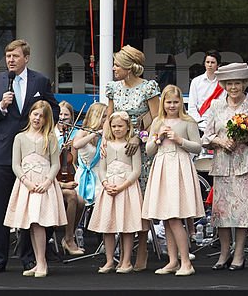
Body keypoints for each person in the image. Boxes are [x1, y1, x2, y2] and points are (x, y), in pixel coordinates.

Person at [0, 38, 58, 275]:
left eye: (15, 56)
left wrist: (42, 119)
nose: (11, 60)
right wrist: (0, 107)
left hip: (33, 156)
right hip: (4, 153)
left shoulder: (40, 81)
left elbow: (53, 108)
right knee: (1, 207)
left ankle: (29, 258)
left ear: (26, 58)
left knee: (31, 208)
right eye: (8, 56)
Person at [202, 61, 248, 270]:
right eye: (229, 83)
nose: (233, 87)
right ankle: (223, 253)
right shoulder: (216, 105)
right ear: (223, 84)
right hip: (222, 164)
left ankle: (239, 253)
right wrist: (220, 141)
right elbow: (206, 137)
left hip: (245, 164)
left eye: (238, 83)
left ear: (245, 83)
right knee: (221, 213)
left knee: (242, 212)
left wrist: (246, 137)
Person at [105, 45, 161, 270]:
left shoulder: (148, 88)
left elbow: (156, 117)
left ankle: (143, 246)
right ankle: (116, 252)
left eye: (117, 65)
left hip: (140, 151)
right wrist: (104, 143)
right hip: (118, 152)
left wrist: (139, 137)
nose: (113, 68)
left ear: (129, 68)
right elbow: (108, 118)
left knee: (140, 197)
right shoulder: (113, 88)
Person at [143, 84, 203, 276]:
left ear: (181, 102)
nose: (172, 105)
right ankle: (172, 260)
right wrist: (158, 138)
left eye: (175, 102)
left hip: (179, 167)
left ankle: (186, 261)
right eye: (168, 102)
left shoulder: (188, 122)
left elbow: (197, 147)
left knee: (176, 217)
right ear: (163, 103)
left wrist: (179, 140)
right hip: (161, 167)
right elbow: (149, 150)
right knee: (167, 218)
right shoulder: (157, 122)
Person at [5, 100, 66, 279]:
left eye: (42, 116)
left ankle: (42, 262)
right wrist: (26, 181)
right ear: (30, 115)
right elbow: (16, 164)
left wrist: (47, 182)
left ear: (47, 119)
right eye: (35, 114)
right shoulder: (20, 138)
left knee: (39, 222)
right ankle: (39, 261)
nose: (37, 118)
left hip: (43, 183)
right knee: (32, 223)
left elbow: (56, 164)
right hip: (27, 184)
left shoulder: (50, 138)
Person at [86, 111, 143, 274]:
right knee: (108, 226)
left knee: (127, 226)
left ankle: (126, 261)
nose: (117, 129)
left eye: (120, 126)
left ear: (127, 127)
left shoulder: (132, 146)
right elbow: (102, 168)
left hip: (126, 189)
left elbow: (136, 170)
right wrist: (105, 183)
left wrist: (123, 185)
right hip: (109, 188)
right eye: (114, 126)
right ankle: (109, 260)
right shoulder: (106, 145)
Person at [54, 101, 84, 256]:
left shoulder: (75, 134)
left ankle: (68, 234)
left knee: (81, 201)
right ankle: (68, 238)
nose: (62, 117)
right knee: (72, 197)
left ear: (72, 117)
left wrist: (71, 148)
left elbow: (75, 161)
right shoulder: (51, 134)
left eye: (66, 115)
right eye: (60, 114)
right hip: (53, 181)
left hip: (68, 176)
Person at [188, 50, 222, 126]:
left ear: (218, 65)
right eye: (207, 62)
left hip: (218, 123)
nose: (210, 65)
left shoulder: (222, 83)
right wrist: (200, 122)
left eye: (212, 62)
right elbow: (192, 107)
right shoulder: (196, 82)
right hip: (199, 123)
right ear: (204, 64)